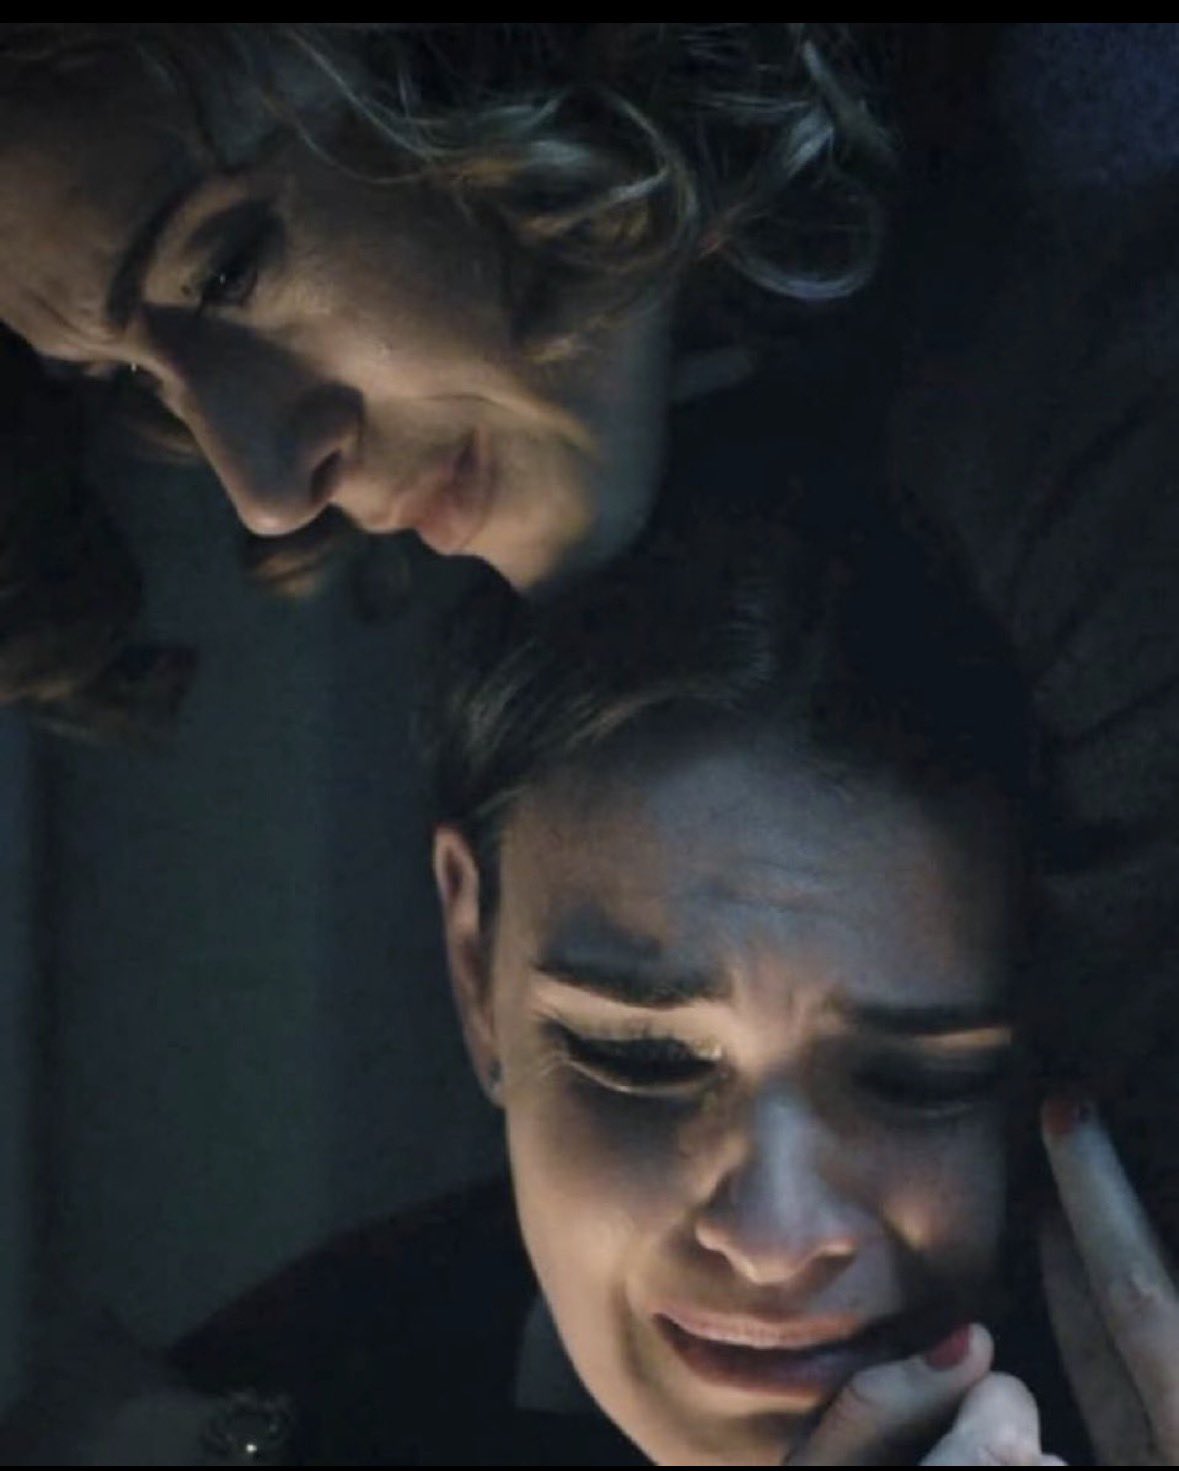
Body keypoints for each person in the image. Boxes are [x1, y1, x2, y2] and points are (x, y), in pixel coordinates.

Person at [150, 509, 1085, 1466]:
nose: (771, 1240)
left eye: (915, 1082)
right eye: (640, 1059)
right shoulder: (270, 1390)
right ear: (474, 962)